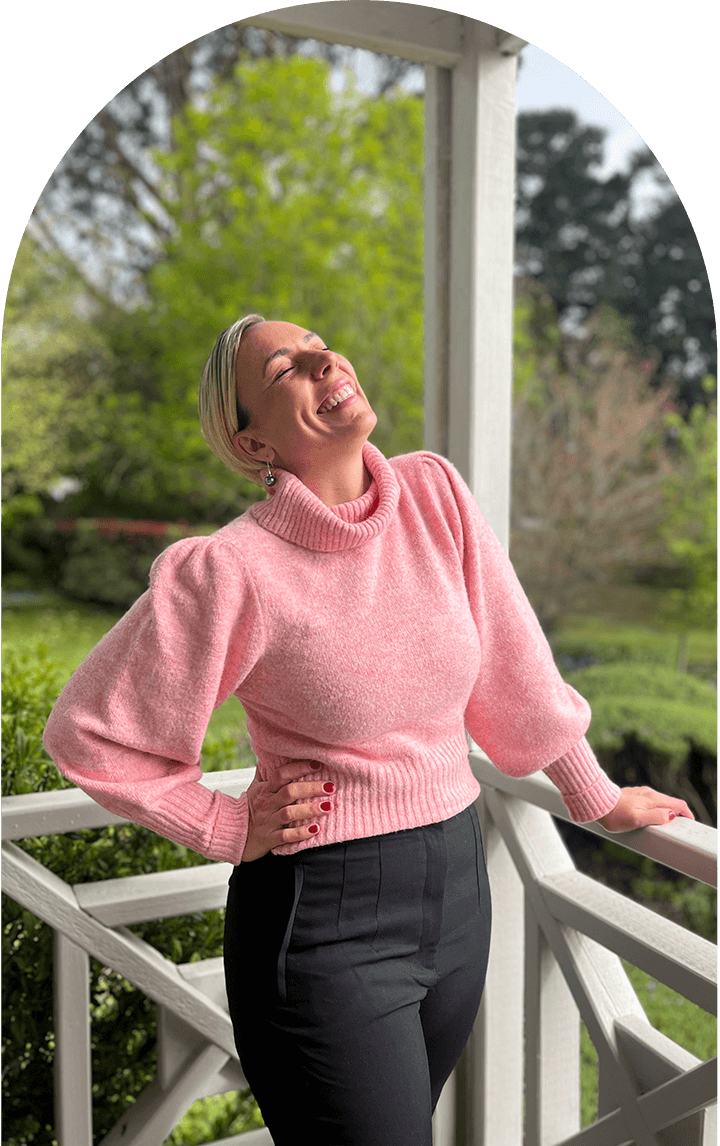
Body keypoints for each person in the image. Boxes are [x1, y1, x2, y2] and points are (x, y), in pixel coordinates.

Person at [43, 315, 694, 1145]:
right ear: (252, 446)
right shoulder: (231, 571)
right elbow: (89, 734)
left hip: (460, 893)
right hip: (326, 923)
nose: (323, 359)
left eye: (318, 343)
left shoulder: (436, 496)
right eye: (285, 368)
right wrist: (221, 821)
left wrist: (593, 796)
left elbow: (514, 666)